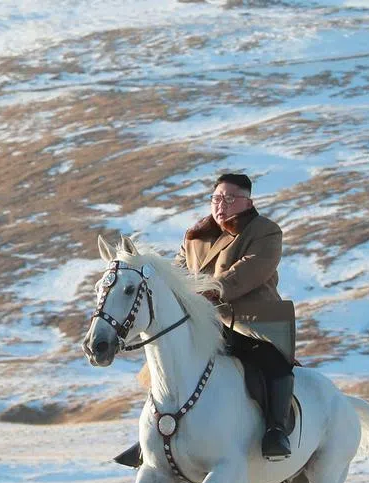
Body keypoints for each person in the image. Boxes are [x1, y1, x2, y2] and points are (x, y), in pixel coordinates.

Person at [114, 172, 296, 467]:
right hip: (203, 320)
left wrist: (210, 291)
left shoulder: (265, 232)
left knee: (273, 365)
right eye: (216, 198)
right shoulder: (195, 235)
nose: (220, 205)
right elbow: (176, 274)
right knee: (165, 364)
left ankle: (276, 431)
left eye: (229, 198)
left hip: (249, 320)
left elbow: (249, 271)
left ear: (247, 202)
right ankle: (155, 435)